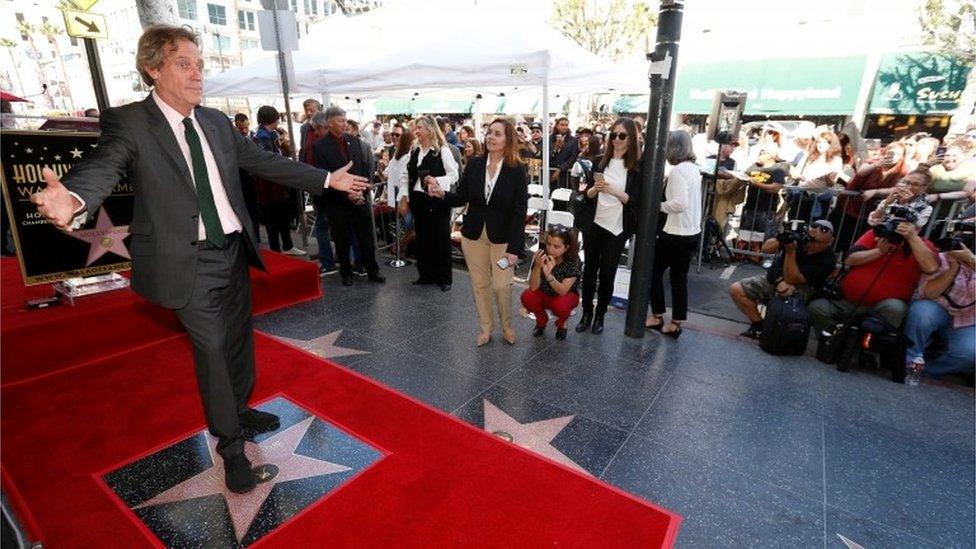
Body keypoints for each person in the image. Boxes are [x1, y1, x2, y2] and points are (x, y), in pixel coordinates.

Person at [28, 25, 367, 494]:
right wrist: (74, 198)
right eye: (183, 64)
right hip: (183, 261)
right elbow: (103, 165)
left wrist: (328, 180)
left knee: (237, 343)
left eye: (200, 65)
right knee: (210, 353)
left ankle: (241, 410)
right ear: (153, 69)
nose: (197, 74)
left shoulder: (216, 122)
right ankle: (230, 449)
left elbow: (265, 163)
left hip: (232, 252)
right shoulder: (130, 122)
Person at [432, 118, 528, 345]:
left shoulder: (516, 169)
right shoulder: (475, 164)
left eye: (497, 134)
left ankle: (507, 326)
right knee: (480, 284)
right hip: (473, 235)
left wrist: (515, 248)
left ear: (508, 139)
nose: (491, 137)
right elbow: (462, 197)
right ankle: (486, 328)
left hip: (503, 238)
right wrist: (442, 195)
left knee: (502, 285)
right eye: (489, 133)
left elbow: (519, 211)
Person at [575, 117, 642, 335]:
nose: (616, 139)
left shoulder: (636, 168)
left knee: (607, 273)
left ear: (631, 138)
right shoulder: (599, 161)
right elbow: (588, 194)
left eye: (622, 135)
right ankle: (586, 312)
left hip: (617, 227)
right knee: (589, 270)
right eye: (613, 134)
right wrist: (595, 190)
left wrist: (614, 191)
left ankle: (600, 315)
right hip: (594, 222)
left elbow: (635, 201)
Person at [808, 224, 939, 333]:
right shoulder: (878, 233)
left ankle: (868, 348)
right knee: (817, 307)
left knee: (895, 308)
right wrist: (879, 251)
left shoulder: (923, 245)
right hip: (847, 300)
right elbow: (849, 259)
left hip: (883, 307)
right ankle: (835, 339)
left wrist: (912, 238)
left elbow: (931, 268)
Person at [311, 106, 385, 286]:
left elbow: (364, 168)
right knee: (342, 239)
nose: (345, 124)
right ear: (330, 123)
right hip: (337, 202)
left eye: (345, 120)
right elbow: (325, 176)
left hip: (360, 199)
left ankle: (372, 271)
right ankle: (346, 273)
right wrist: (347, 194)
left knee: (366, 238)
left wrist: (362, 191)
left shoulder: (355, 141)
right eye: (340, 121)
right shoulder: (319, 147)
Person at [729, 219, 837, 339]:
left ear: (830, 242)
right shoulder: (800, 240)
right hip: (777, 278)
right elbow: (766, 248)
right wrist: (783, 238)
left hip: (803, 288)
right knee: (737, 289)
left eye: (817, 242)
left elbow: (793, 279)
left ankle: (779, 329)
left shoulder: (828, 260)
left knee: (787, 289)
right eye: (810, 238)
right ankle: (758, 325)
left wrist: (791, 251)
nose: (811, 244)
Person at [645, 130, 703, 338]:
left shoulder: (678, 171)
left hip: (676, 233)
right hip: (691, 231)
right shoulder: (693, 169)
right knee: (679, 279)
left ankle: (657, 316)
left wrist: (656, 206)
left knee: (653, 273)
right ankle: (676, 321)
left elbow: (679, 203)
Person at [903, 242, 975, 380]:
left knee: (969, 352)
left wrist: (972, 260)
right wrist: (953, 268)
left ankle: (927, 370)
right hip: (935, 307)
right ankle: (907, 361)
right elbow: (929, 293)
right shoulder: (941, 258)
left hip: (968, 318)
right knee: (922, 314)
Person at [403, 115, 459, 291]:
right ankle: (425, 275)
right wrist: (404, 197)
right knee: (423, 239)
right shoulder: (416, 151)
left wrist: (436, 181)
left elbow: (454, 175)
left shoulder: (442, 150)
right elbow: (406, 176)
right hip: (418, 201)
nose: (416, 131)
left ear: (430, 129)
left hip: (437, 201)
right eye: (416, 127)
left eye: (419, 127)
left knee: (440, 240)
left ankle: (444, 279)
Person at [830, 142, 909, 250]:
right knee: (838, 238)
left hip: (872, 213)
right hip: (849, 206)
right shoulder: (874, 162)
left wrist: (876, 191)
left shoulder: (903, 169)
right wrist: (877, 164)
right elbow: (861, 172)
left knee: (858, 243)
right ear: (885, 152)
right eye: (891, 153)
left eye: (898, 154)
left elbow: (898, 188)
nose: (894, 157)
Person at [252, 106, 304, 256]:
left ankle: (286, 246)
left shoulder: (270, 134)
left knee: (281, 217)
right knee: (273, 220)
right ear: (272, 119)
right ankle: (277, 249)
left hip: (275, 185)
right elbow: (268, 161)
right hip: (269, 186)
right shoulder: (262, 137)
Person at [521, 225, 582, 341]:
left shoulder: (573, 260)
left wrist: (549, 275)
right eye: (548, 244)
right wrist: (538, 267)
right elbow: (533, 287)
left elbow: (563, 291)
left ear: (566, 247)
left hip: (565, 296)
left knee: (561, 306)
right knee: (527, 296)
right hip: (543, 292)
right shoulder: (542, 254)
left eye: (556, 246)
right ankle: (541, 320)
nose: (550, 249)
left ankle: (562, 323)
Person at [735, 143, 787, 260]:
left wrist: (757, 184)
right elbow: (743, 176)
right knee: (745, 233)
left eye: (762, 152)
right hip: (750, 206)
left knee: (766, 236)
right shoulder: (754, 166)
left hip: (767, 208)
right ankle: (743, 255)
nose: (759, 154)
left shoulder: (778, 169)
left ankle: (765, 259)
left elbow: (776, 187)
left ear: (770, 155)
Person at [866, 169, 933, 230]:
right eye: (907, 182)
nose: (909, 187)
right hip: (881, 232)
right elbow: (872, 222)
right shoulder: (895, 198)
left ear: (925, 187)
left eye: (915, 185)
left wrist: (905, 205)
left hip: (901, 239)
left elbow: (917, 225)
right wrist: (887, 203)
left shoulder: (926, 207)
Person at [550, 117, 578, 189]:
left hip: (565, 174)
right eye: (562, 125)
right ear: (557, 126)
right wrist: (556, 149)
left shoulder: (573, 140)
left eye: (566, 125)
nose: (565, 127)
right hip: (550, 172)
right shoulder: (549, 139)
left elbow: (572, 158)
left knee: (563, 196)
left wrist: (560, 169)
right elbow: (547, 156)